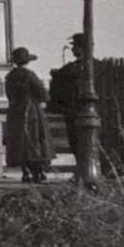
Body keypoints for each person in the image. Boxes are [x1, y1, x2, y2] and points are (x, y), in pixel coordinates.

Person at [6, 46, 55, 184]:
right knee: (36, 141)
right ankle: (38, 172)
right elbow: (44, 95)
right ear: (27, 61)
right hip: (31, 111)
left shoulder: (10, 76)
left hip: (15, 112)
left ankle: (25, 172)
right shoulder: (29, 75)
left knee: (20, 142)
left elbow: (9, 95)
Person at [48, 33, 90, 162]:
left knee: (75, 139)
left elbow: (56, 89)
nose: (72, 49)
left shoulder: (69, 70)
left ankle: (81, 167)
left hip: (73, 110)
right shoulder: (96, 66)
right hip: (84, 110)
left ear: (81, 48)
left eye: (75, 46)